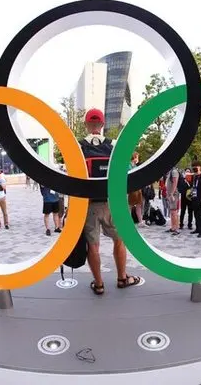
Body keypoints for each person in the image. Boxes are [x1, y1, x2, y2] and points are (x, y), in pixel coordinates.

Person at [80, 108, 141, 295]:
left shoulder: (77, 146)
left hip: (88, 203)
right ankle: (122, 278)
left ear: (86, 124)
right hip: (112, 202)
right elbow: (125, 170)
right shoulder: (114, 145)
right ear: (102, 124)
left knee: (93, 246)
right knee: (119, 240)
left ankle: (99, 284)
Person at [190, 161, 201, 238]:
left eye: (196, 167)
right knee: (195, 215)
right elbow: (193, 186)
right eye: (193, 167)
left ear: (200, 167)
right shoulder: (194, 176)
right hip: (194, 198)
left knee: (200, 216)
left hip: (200, 199)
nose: (194, 168)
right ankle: (197, 229)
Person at [127, 152, 145, 226]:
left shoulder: (135, 166)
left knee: (139, 205)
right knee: (130, 205)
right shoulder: (128, 165)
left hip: (138, 188)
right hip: (132, 188)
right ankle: (129, 222)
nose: (138, 159)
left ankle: (140, 222)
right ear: (134, 157)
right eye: (137, 157)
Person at [165, 167, 180, 235]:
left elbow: (175, 182)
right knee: (172, 212)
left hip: (173, 194)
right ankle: (173, 228)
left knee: (174, 212)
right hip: (170, 194)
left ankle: (176, 229)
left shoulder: (174, 171)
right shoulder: (171, 171)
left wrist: (171, 194)